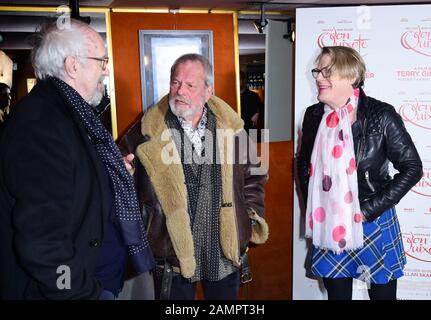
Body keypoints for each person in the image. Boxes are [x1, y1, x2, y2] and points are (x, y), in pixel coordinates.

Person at [0, 19, 154, 300]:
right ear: (73, 65)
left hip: (97, 280)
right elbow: (41, 237)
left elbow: (70, 182)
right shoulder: (41, 124)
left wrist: (109, 173)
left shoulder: (69, 113)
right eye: (102, 60)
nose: (105, 71)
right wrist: (80, 293)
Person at [119, 53, 268, 300]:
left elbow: (255, 175)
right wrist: (125, 172)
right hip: (172, 251)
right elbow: (120, 172)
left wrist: (249, 216)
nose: (180, 91)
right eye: (176, 83)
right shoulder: (145, 130)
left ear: (208, 91)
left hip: (223, 248)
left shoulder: (232, 129)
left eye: (190, 85)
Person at [297, 46, 422, 300]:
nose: (319, 77)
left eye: (327, 71)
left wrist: (367, 210)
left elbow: (412, 168)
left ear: (351, 76)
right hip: (330, 221)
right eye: (317, 71)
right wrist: (315, 206)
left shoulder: (381, 115)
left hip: (372, 220)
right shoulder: (313, 116)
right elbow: (303, 165)